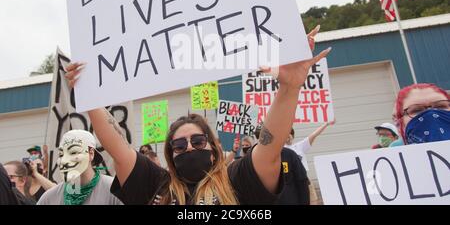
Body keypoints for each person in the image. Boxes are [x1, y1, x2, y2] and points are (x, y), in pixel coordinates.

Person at [65, 29, 330, 204]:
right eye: (179, 145)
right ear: (171, 154)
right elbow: (117, 147)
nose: (189, 148)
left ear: (213, 148)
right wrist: (89, 95)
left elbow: (270, 146)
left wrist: (290, 87)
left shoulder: (236, 178)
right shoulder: (158, 186)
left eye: (197, 141)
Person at [37, 130, 123, 205]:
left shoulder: (115, 191)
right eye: (61, 154)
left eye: (73, 152)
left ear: (91, 153)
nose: (64, 160)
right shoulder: (49, 199)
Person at [254, 124, 309, 205]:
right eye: (260, 137)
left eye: (265, 137)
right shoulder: (252, 160)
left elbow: (302, 181)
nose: (263, 140)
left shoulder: (289, 155)